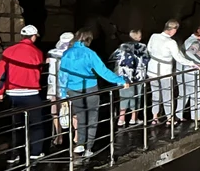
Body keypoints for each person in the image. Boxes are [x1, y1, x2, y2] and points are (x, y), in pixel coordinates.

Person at [58, 29, 127, 158]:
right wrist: (120, 81)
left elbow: (62, 75)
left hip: (73, 89)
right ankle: (89, 147)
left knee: (80, 116)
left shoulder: (67, 53)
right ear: (89, 39)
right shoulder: (90, 53)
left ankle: (79, 144)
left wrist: (62, 93)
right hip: (90, 88)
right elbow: (103, 71)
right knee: (92, 118)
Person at [0, 24, 46, 163]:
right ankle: (36, 152)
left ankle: (14, 153)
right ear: (33, 37)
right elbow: (39, 72)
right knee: (36, 124)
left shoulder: (8, 51)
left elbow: (1, 73)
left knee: (15, 125)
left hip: (13, 94)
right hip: (32, 93)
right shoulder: (38, 53)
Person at [146, 20, 200, 126]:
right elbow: (179, 58)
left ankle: (154, 117)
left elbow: (149, 50)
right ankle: (169, 118)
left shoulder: (154, 36)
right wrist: (192, 63)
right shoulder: (171, 42)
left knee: (155, 94)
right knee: (167, 95)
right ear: (173, 30)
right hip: (164, 71)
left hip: (152, 70)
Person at [110, 30, 149, 127]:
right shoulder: (143, 47)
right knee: (136, 96)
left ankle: (121, 118)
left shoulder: (122, 46)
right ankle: (133, 118)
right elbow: (146, 60)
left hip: (124, 76)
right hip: (138, 76)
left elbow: (112, 58)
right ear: (139, 37)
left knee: (123, 96)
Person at [46, 32, 74, 146]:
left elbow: (47, 62)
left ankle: (59, 136)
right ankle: (75, 136)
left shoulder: (52, 53)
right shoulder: (74, 54)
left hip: (53, 85)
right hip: (69, 86)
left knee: (55, 111)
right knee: (73, 112)